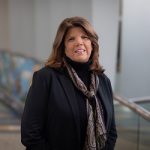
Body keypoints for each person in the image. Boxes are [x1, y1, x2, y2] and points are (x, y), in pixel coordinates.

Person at [21, 16, 117, 150]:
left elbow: (111, 131)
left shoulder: (103, 81)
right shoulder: (46, 78)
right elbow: (30, 133)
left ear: (92, 44)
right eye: (71, 39)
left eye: (85, 37)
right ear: (62, 47)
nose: (79, 42)